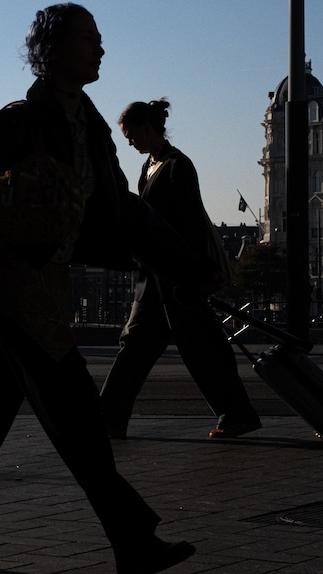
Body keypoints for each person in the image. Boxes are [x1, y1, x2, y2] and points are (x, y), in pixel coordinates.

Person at [0, 4, 200, 574]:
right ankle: (132, 541)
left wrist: (186, 258)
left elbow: (120, 210)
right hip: (17, 296)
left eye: (101, 39)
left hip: (46, 290)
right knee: (80, 423)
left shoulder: (91, 124)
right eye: (89, 39)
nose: (100, 49)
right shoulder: (9, 123)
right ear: (53, 49)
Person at [100, 99, 262, 440]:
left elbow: (188, 224)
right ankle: (108, 419)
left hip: (175, 277)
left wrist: (193, 273)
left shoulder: (177, 166)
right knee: (151, 347)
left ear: (147, 128)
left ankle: (236, 414)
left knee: (195, 348)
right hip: (155, 277)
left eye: (131, 135)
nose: (129, 142)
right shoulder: (151, 166)